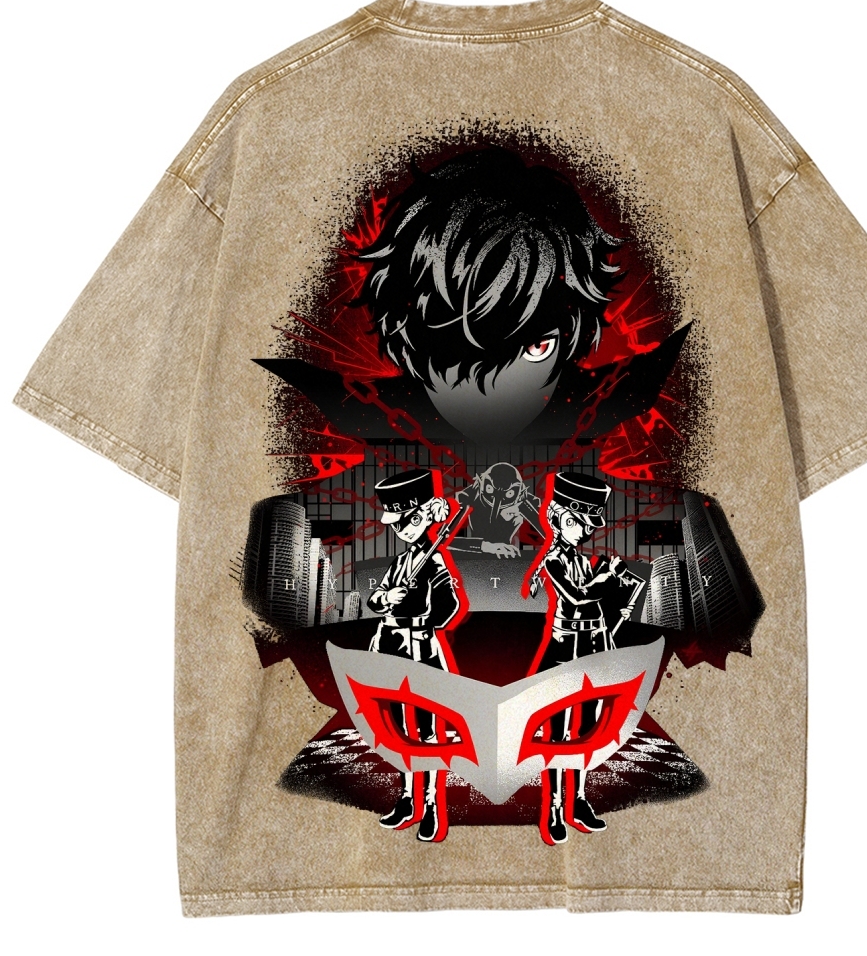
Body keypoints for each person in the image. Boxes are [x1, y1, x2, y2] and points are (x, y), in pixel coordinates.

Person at [255, 147, 690, 446]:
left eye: (535, 348)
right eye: (456, 352)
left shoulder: (610, 399)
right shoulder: (363, 410)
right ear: (407, 326)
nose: (495, 394)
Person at [530, 471, 641, 845]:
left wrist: (619, 598)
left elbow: (594, 604)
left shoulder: (579, 559)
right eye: (579, 523)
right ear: (560, 517)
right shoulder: (554, 561)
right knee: (558, 734)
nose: (585, 532)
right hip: (565, 650)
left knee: (586, 733)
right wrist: (606, 578)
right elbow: (577, 597)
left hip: (594, 646)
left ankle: (577, 801)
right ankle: (554, 807)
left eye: (590, 525)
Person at [366, 468, 460, 842]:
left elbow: (449, 608)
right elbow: (376, 599)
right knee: (400, 733)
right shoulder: (402, 561)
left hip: (419, 648)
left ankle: (432, 805)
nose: (400, 530)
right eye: (397, 524)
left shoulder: (434, 562)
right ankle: (409, 798)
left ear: (421, 517)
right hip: (391, 648)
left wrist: (420, 616)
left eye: (404, 521)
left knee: (426, 733)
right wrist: (388, 597)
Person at [448, 461, 542, 558]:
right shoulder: (467, 497)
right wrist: (484, 546)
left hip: (507, 556)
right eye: (489, 488)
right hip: (475, 556)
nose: (497, 501)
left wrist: (526, 509)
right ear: (482, 483)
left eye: (509, 493)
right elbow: (442, 539)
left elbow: (550, 537)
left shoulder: (524, 500)